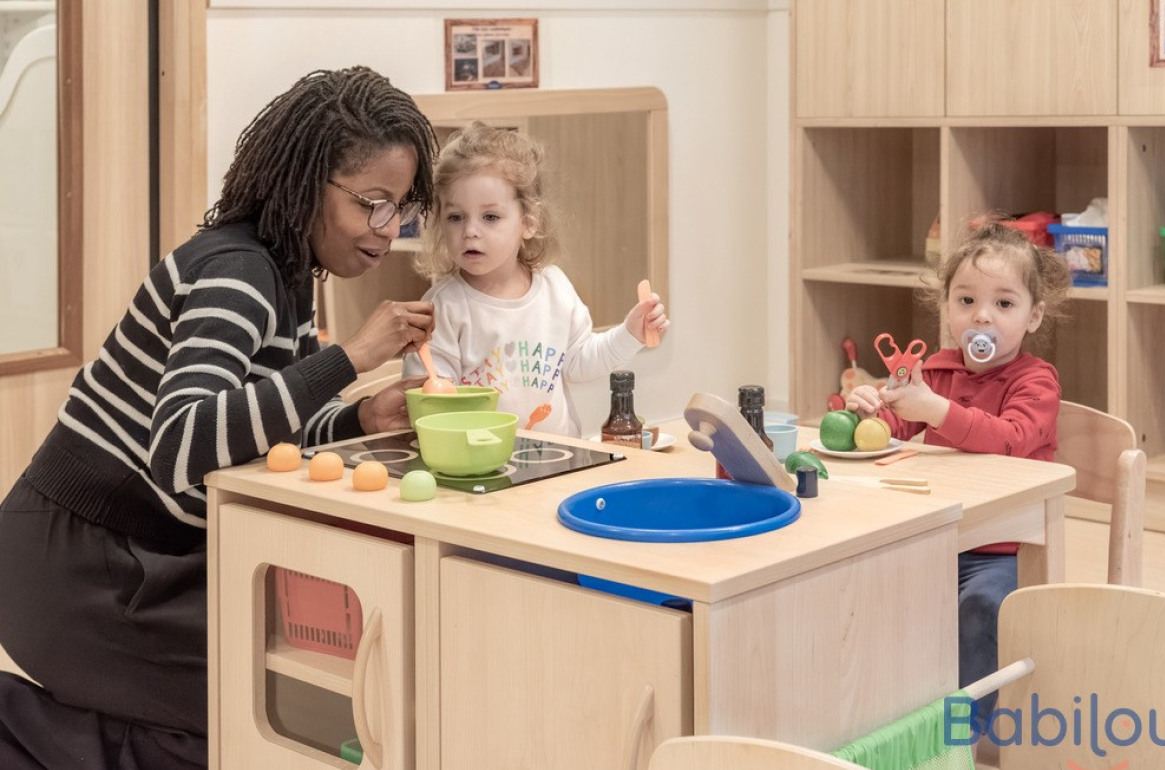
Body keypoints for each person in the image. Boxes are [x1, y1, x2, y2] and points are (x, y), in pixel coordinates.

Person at [0, 66, 438, 769]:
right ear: (305, 186)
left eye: (400, 209)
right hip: (81, 565)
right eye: (372, 204)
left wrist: (360, 416)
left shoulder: (285, 274)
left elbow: (266, 423)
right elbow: (183, 450)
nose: (387, 232)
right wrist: (352, 357)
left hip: (135, 555)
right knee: (267, 697)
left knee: (287, 687)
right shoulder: (239, 273)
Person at [845, 221, 1071, 735]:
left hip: (1008, 549)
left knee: (980, 608)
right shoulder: (936, 371)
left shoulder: (1037, 381)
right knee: (872, 591)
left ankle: (962, 734)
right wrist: (869, 414)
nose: (982, 317)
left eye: (1004, 305)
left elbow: (1010, 437)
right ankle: (895, 719)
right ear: (946, 307)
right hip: (940, 537)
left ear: (1034, 316)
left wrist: (936, 409)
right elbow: (897, 426)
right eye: (966, 300)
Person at [402, 122, 669, 437]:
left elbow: (581, 362)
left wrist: (631, 333)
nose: (470, 231)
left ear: (528, 223)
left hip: (558, 461)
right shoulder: (442, 307)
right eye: (455, 217)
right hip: (479, 470)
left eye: (490, 217)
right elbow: (431, 404)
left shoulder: (554, 288)